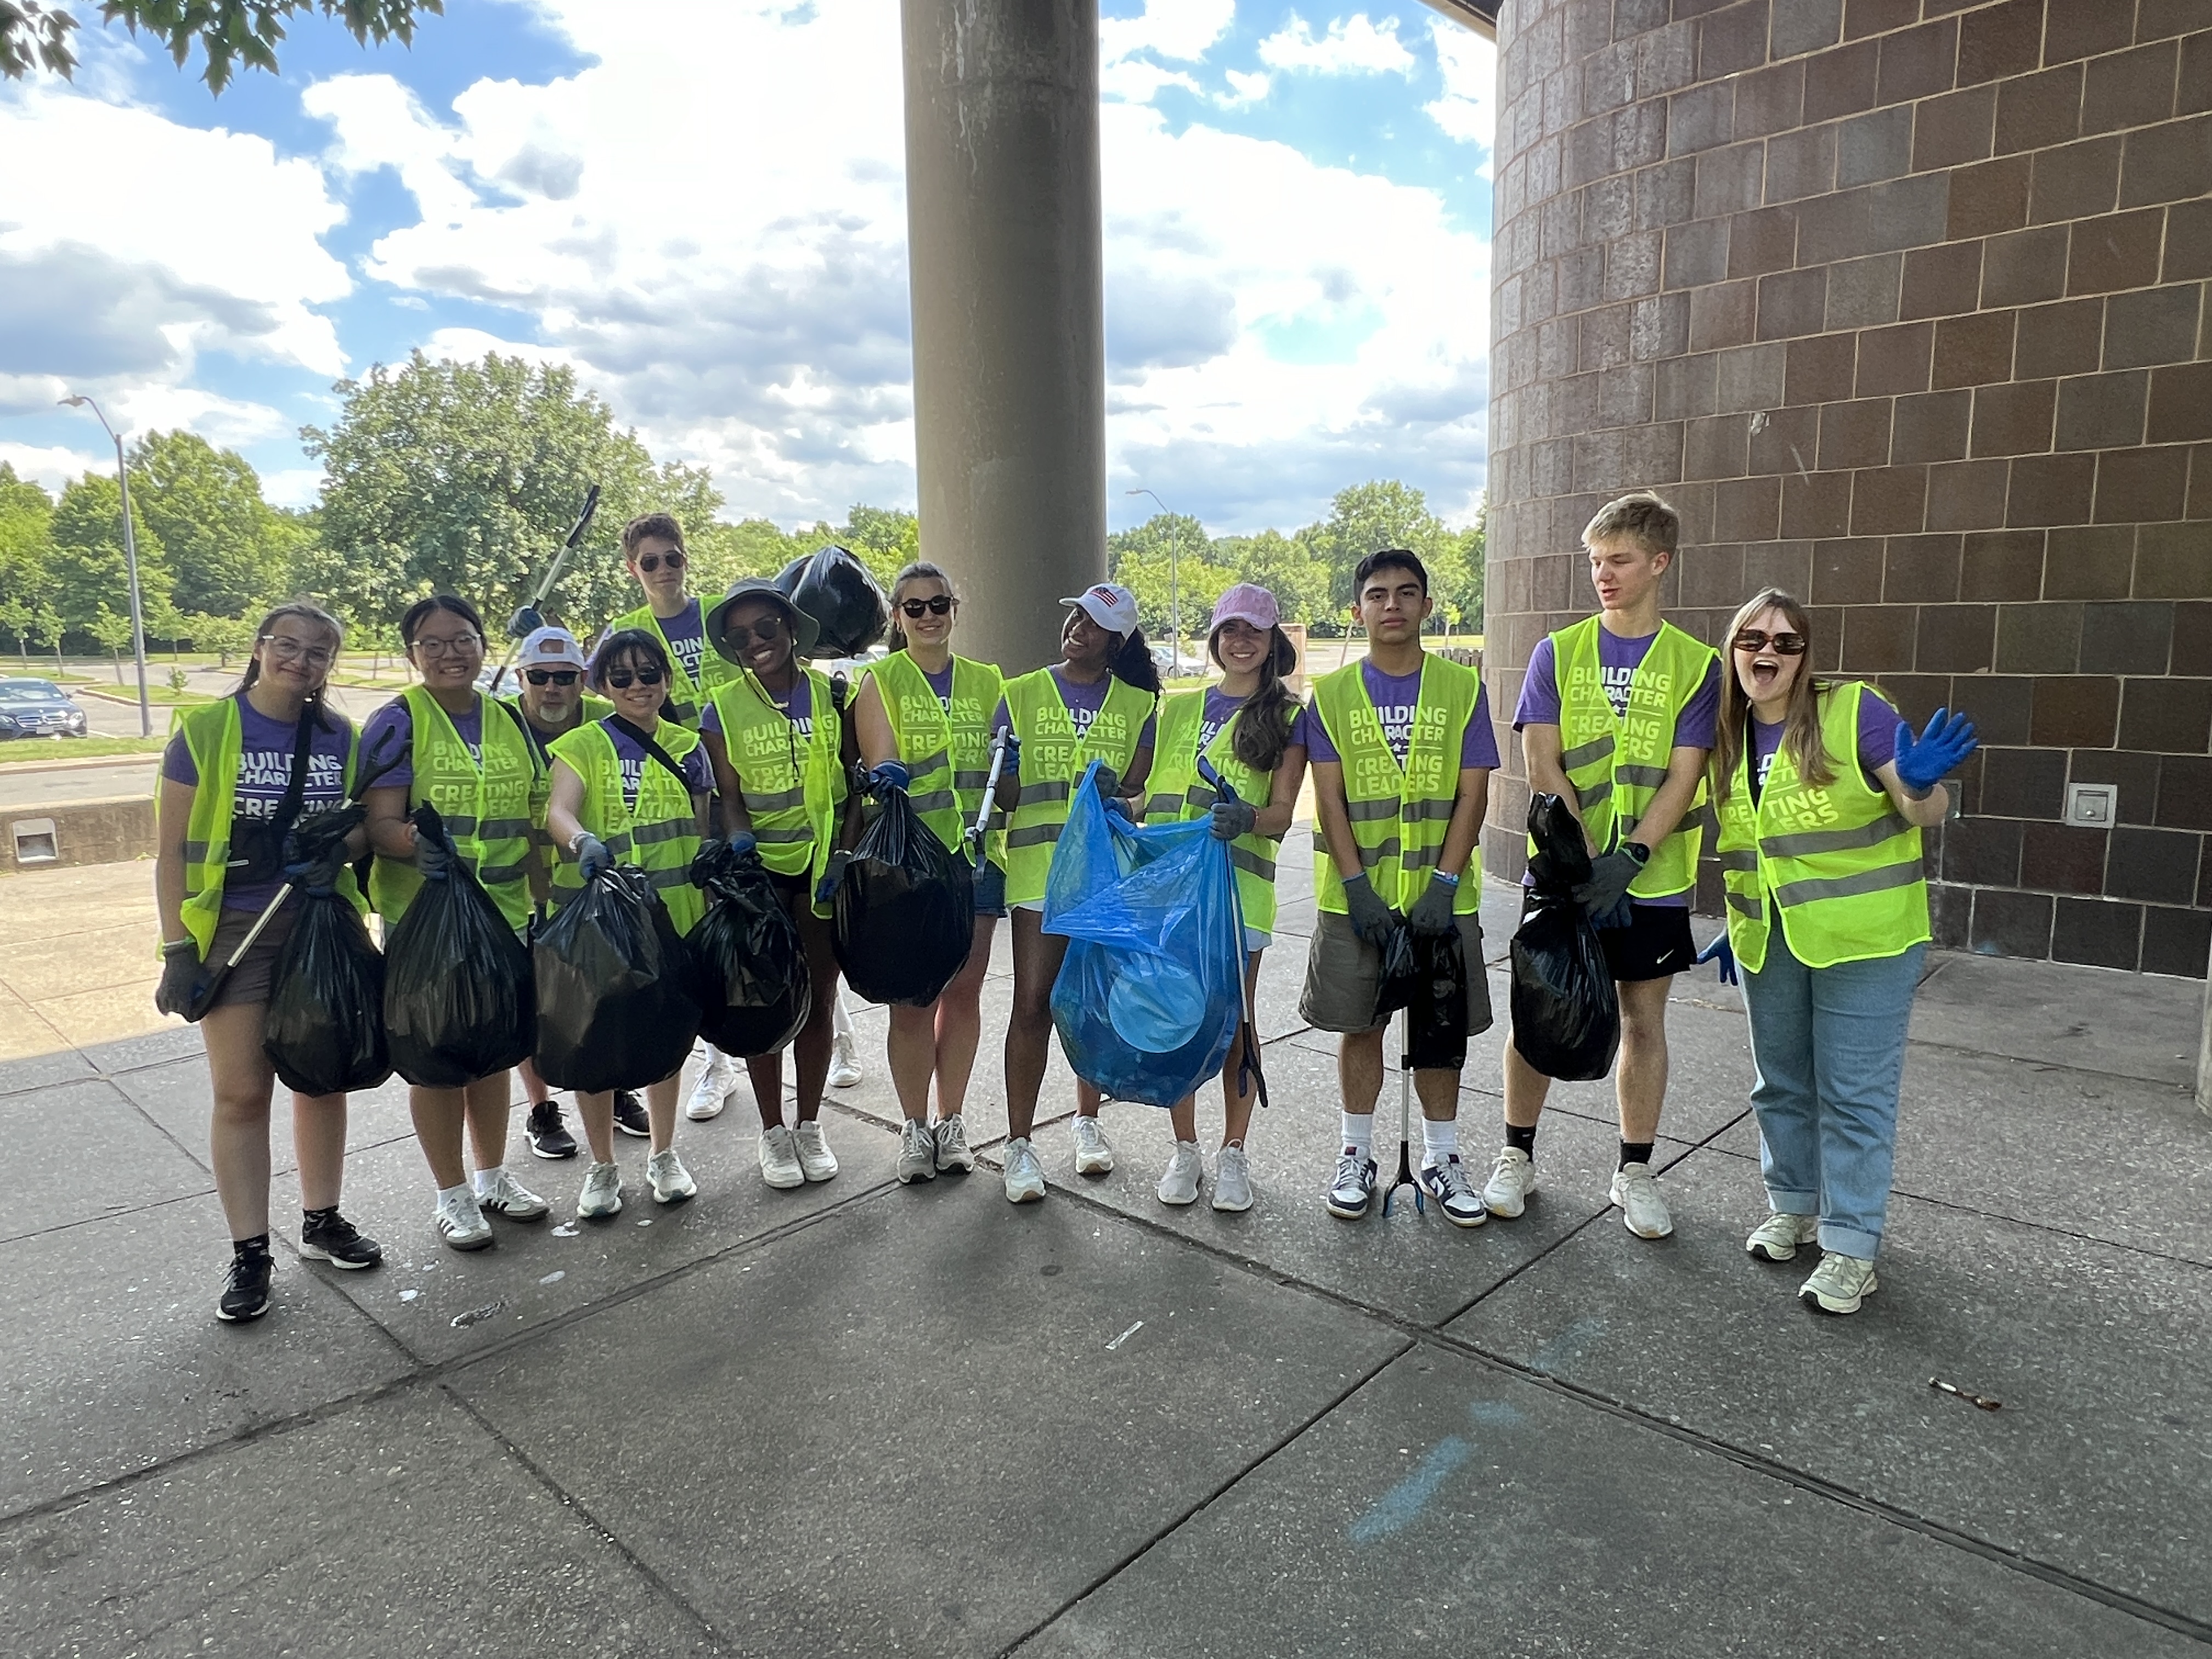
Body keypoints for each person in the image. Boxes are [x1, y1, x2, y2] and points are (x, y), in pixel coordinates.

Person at [1705, 589, 1974, 1314]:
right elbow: (1748, 846)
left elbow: (1925, 810)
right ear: (1734, 649)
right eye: (1753, 638)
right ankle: (1793, 1205)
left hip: (1868, 941)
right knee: (1782, 1083)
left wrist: (1919, 785)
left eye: (1787, 642)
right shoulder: (1725, 735)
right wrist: (1736, 923)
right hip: (1771, 939)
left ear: (1805, 654)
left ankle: (1853, 1246)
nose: (1768, 652)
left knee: (1854, 1096)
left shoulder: (1854, 711)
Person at [1487, 491, 1719, 1240]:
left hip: (1647, 882)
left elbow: (1685, 773)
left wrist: (1629, 859)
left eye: (1618, 560)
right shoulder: (1559, 650)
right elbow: (1540, 758)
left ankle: (1635, 1170)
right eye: (1595, 562)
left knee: (1642, 1022)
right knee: (1539, 1011)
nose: (1603, 575)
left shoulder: (1697, 664)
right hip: (1561, 875)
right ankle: (1516, 1155)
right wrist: (1584, 860)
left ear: (1660, 562)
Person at [154, 601, 381, 1322]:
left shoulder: (341, 738)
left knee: (321, 1077)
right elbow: (170, 852)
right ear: (260, 648)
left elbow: (359, 833)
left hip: (319, 921)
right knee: (243, 1092)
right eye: (289, 645)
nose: (302, 661)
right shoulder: (207, 731)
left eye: (319, 652)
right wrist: (177, 948)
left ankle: (323, 1219)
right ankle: (250, 1251)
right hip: (233, 928)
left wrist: (335, 851)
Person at [1300, 550, 1498, 1227]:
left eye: (1407, 593)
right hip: (1357, 901)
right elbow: (1328, 798)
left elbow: (1475, 793)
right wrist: (1355, 885)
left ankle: (1442, 1158)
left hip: (1443, 900)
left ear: (1427, 606)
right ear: (1357, 610)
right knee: (1362, 1027)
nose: (1393, 605)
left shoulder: (1463, 688)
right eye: (1378, 594)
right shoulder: (1329, 695)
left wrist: (1445, 882)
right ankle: (1356, 1152)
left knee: (1440, 1032)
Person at [362, 596, 551, 1250]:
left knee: (493, 1048)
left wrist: (546, 901)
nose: (450, 653)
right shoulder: (398, 722)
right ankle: (451, 1195)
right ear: (413, 654)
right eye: (433, 643)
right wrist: (420, 845)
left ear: (481, 643)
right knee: (437, 1055)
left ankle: (494, 1176)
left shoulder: (507, 719)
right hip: (426, 916)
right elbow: (379, 823)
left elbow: (533, 818)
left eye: (463, 639)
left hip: (502, 913)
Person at [1139, 584, 1306, 1212]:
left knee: (1236, 1020)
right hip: (1173, 893)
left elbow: (1284, 814)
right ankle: (1185, 1149)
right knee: (1178, 1019)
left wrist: (1247, 816)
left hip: (1239, 893)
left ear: (1271, 642)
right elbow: (1153, 800)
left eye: (1254, 631)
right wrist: (1110, 802)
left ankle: (1234, 1152)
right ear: (1214, 638)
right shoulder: (1177, 710)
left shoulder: (1288, 717)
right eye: (1230, 629)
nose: (1241, 640)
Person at [992, 582, 1160, 1203]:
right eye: (1075, 618)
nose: (1077, 629)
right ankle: (1018, 1145)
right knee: (1033, 1004)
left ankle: (1088, 1123)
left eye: (1093, 623)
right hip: (1038, 873)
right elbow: (1005, 798)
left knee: (1092, 1003)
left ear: (1115, 640)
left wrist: (1125, 797)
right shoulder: (1021, 693)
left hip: (1103, 876)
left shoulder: (1140, 704)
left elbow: (1141, 796)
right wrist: (1004, 772)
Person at [544, 628, 710, 1216]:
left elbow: (703, 824)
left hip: (673, 918)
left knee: (665, 1042)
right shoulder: (583, 744)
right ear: (601, 685)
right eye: (622, 676)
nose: (637, 686)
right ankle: (603, 1167)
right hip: (602, 926)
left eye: (648, 674)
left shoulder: (691, 746)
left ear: (666, 680)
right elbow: (559, 810)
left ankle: (664, 1155)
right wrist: (582, 838)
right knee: (598, 1043)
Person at [850, 561, 1006, 1184]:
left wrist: (1010, 761)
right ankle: (914, 1129)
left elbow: (1004, 776)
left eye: (939, 604)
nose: (928, 616)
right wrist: (885, 774)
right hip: (911, 871)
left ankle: (953, 1119)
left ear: (954, 609)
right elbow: (882, 764)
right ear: (897, 617)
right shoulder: (879, 681)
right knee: (914, 1001)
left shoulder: (987, 680)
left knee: (964, 993)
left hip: (976, 862)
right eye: (914, 608)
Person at [699, 579, 855, 1190]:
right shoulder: (722, 707)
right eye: (740, 637)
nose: (755, 643)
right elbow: (729, 797)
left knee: (817, 1000)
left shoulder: (834, 695)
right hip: (762, 877)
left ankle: (810, 1123)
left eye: (765, 629)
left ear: (791, 628)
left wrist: (844, 852)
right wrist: (741, 848)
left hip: (822, 871)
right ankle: (772, 1131)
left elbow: (851, 785)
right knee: (763, 1004)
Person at [602, 511, 748, 1125]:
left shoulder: (718, 618)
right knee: (703, 936)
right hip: (675, 794)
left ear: (688, 558)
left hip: (738, 786)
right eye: (650, 561)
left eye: (673, 558)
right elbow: (599, 702)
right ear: (634, 569)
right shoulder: (627, 631)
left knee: (754, 922)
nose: (664, 570)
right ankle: (717, 1065)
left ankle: (838, 1037)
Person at [499, 625, 646, 1158]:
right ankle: (541, 1110)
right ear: (522, 678)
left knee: (600, 1001)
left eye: (565, 677)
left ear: (583, 680)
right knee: (534, 1008)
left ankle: (616, 1093)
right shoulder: (504, 727)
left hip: (586, 893)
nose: (553, 688)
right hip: (519, 892)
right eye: (540, 677)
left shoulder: (601, 728)